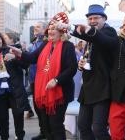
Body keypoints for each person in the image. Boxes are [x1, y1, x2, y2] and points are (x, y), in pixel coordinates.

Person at [9, 12, 77, 140]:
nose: (50, 31)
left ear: (61, 31)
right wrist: (19, 53)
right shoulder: (46, 45)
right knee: (45, 125)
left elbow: (71, 69)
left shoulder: (68, 46)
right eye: (49, 29)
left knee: (55, 124)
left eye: (54, 29)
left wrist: (56, 80)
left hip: (60, 92)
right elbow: (32, 58)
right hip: (44, 91)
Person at [56, 4, 117, 140]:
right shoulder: (90, 38)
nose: (92, 20)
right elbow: (90, 54)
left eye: (96, 17)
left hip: (103, 88)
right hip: (88, 88)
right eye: (90, 18)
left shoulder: (109, 31)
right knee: (83, 126)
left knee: (98, 129)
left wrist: (69, 27)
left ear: (104, 19)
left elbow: (100, 38)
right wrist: (81, 63)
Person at [0, 31, 29, 140]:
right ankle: (4, 137)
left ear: (2, 40)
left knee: (18, 115)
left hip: (14, 90)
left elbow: (25, 65)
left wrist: (15, 57)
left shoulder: (11, 50)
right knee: (2, 118)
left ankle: (20, 136)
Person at [3, 32, 35, 120]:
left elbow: (24, 64)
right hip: (6, 82)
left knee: (18, 107)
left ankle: (20, 132)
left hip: (17, 82)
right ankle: (29, 109)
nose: (3, 39)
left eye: (6, 38)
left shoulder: (18, 49)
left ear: (11, 39)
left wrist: (14, 57)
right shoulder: (3, 49)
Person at [27, 21, 47, 140]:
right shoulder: (34, 43)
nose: (35, 28)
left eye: (38, 27)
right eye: (35, 27)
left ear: (45, 29)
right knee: (37, 107)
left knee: (43, 108)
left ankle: (47, 132)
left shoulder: (46, 43)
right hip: (33, 79)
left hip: (43, 80)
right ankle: (43, 131)